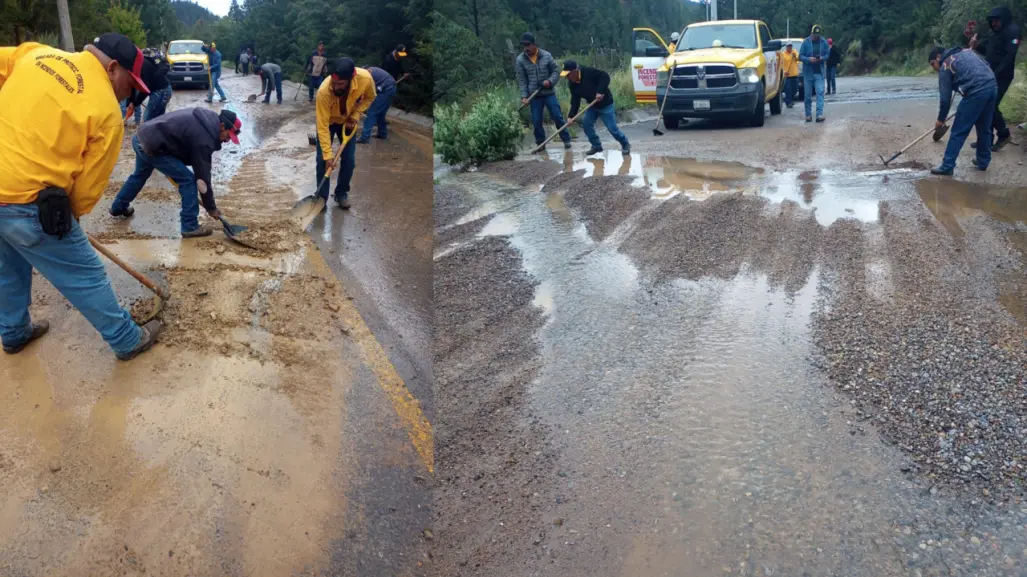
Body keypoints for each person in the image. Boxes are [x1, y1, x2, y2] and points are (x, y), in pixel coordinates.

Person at [0, 33, 161, 360]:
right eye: (131, 85)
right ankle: (127, 339)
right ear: (113, 67)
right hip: (28, 201)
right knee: (85, 274)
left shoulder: (34, 55)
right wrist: (62, 225)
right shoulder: (106, 111)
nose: (130, 94)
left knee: (8, 267)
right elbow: (87, 192)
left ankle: (14, 332)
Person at [109, 108, 241, 236]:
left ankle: (118, 207)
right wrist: (211, 207)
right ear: (222, 125)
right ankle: (190, 226)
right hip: (153, 146)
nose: (227, 140)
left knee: (139, 175)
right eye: (228, 136)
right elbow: (202, 178)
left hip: (142, 137)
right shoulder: (204, 138)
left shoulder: (208, 120)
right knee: (188, 180)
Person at [314, 57, 376, 209]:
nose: (335, 87)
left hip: (347, 121)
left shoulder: (365, 79)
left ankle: (341, 194)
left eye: (340, 84)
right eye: (334, 83)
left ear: (351, 79)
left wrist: (355, 115)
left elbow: (370, 97)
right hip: (328, 123)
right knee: (323, 161)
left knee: (349, 160)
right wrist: (328, 156)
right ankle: (321, 199)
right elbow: (321, 125)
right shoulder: (324, 91)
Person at [928, 46, 997, 175]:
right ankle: (983, 162)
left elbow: (945, 99)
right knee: (984, 127)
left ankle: (947, 166)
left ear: (938, 57)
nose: (934, 68)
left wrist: (940, 120)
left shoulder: (945, 65)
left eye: (933, 64)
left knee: (958, 131)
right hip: (992, 85)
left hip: (976, 91)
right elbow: (986, 64)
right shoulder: (966, 51)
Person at [970, 6, 1021, 150]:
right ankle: (987, 139)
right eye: (992, 21)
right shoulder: (995, 33)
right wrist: (976, 46)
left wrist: (995, 73)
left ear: (1003, 20)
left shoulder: (1013, 32)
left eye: (996, 21)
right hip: (990, 75)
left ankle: (1004, 134)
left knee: (991, 105)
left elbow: (1009, 57)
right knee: (986, 106)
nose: (994, 24)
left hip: (1002, 76)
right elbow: (989, 52)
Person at [561, 60, 629, 156]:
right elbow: (575, 101)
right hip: (592, 106)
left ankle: (625, 144)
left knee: (612, 129)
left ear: (575, 71)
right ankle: (596, 146)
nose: (567, 77)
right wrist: (571, 116)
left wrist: (600, 91)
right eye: (566, 75)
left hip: (606, 105)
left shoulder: (588, 72)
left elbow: (605, 77)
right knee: (586, 124)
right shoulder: (572, 84)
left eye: (568, 74)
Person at [516, 32, 570, 151]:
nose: (526, 48)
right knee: (536, 120)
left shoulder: (546, 56)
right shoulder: (520, 60)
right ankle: (540, 143)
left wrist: (549, 82)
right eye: (524, 46)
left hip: (549, 93)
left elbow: (556, 72)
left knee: (557, 116)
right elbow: (522, 80)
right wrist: (524, 96)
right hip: (534, 95)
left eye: (528, 45)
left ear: (534, 45)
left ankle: (566, 139)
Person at [124, 48, 173, 123]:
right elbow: (135, 85)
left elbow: (145, 89)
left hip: (161, 91)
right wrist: (131, 102)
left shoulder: (142, 65)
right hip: (163, 90)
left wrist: (135, 103)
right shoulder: (136, 65)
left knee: (148, 119)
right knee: (158, 120)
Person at [357, 66, 397, 143]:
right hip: (391, 87)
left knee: (372, 112)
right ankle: (382, 134)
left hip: (386, 88)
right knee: (380, 113)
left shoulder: (366, 74)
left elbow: (366, 91)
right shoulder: (371, 72)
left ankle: (364, 137)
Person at [800, 25, 830, 123]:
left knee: (820, 93)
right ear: (811, 33)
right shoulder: (805, 42)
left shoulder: (823, 42)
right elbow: (800, 56)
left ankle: (819, 114)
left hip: (819, 72)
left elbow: (827, 54)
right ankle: (808, 114)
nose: (816, 36)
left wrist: (822, 58)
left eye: (818, 34)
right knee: (808, 95)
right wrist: (808, 59)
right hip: (808, 72)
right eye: (814, 34)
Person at [781, 42, 800, 108]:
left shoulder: (794, 52)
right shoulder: (783, 54)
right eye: (788, 46)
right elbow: (781, 65)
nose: (790, 47)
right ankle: (789, 102)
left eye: (790, 46)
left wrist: (795, 56)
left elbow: (798, 59)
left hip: (794, 74)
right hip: (787, 75)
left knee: (794, 89)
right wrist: (784, 72)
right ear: (786, 47)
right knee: (788, 90)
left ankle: (789, 100)